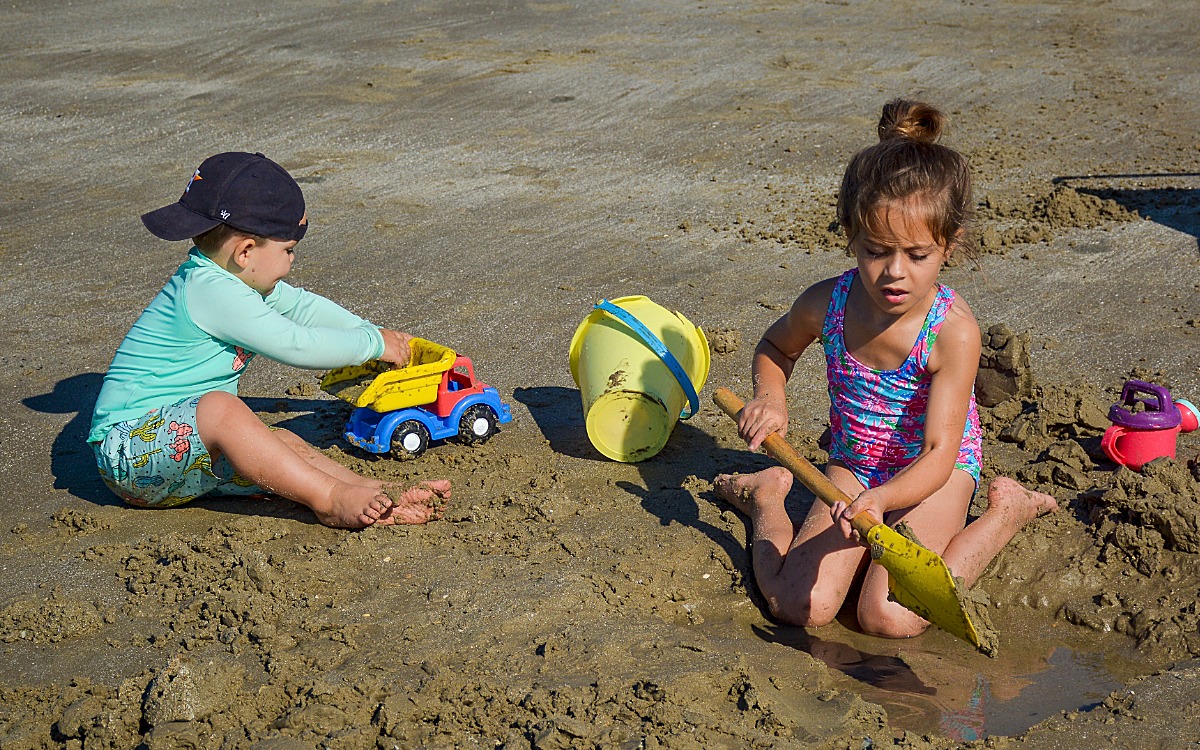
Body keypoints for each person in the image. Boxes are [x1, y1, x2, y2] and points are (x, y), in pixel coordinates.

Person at [714, 100, 1057, 638]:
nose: (894, 273)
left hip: (931, 475)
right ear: (850, 234)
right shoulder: (825, 303)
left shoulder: (951, 332)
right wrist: (770, 397)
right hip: (855, 464)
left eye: (917, 255)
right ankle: (766, 497)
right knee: (800, 605)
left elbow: (941, 454)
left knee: (888, 614)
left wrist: (884, 500)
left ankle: (1005, 513)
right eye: (876, 251)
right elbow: (777, 350)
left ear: (949, 244)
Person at [89, 152, 450, 528]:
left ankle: (376, 491)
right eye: (288, 250)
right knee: (224, 411)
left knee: (278, 445)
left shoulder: (237, 279)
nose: (292, 260)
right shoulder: (210, 290)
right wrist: (372, 346)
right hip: (129, 455)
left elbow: (303, 308)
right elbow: (295, 343)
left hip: (185, 454)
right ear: (245, 251)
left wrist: (372, 333)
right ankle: (329, 499)